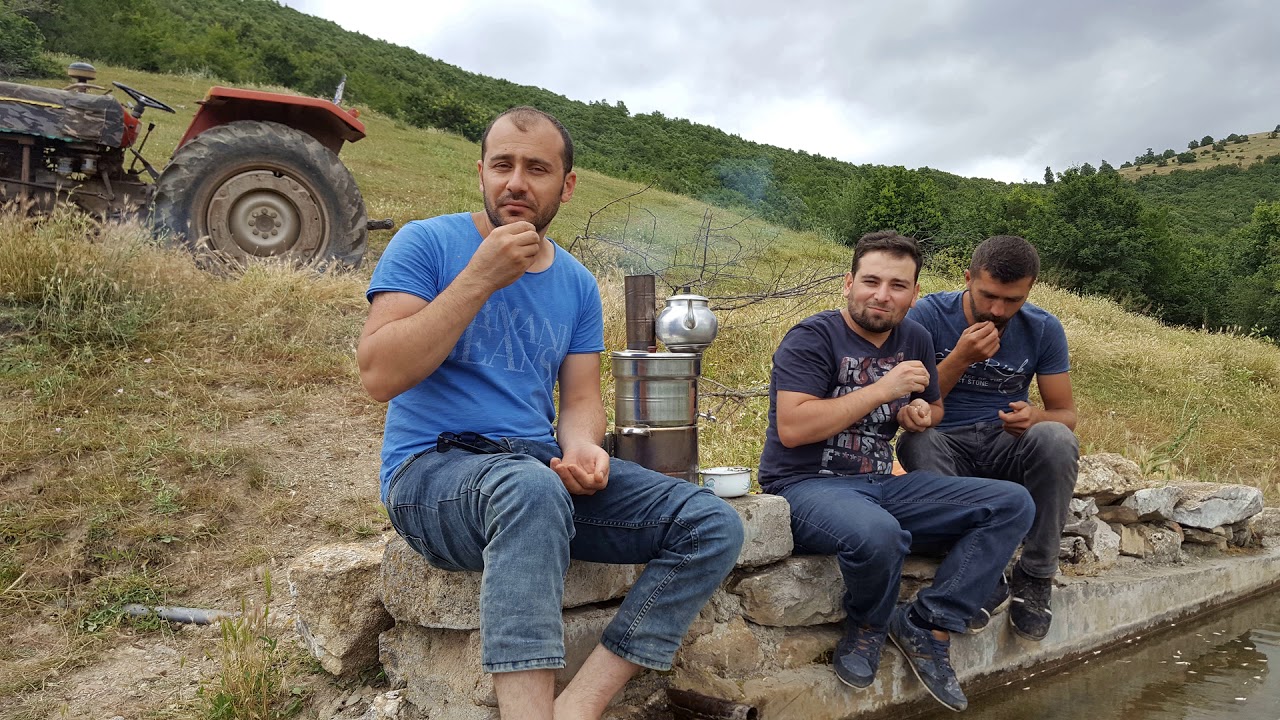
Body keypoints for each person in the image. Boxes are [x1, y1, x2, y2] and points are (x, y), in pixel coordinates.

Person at [357, 106, 744, 720]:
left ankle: (580, 706)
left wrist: (586, 446)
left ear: (564, 186)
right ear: (480, 170)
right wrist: (479, 277)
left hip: (534, 469)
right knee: (530, 489)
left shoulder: (576, 283)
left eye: (536, 168)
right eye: (502, 164)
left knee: (712, 524)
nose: (516, 182)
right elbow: (379, 373)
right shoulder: (426, 243)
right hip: (431, 475)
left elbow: (582, 401)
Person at [759, 231, 1035, 712]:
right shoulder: (812, 337)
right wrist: (883, 390)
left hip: (882, 482)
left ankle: (929, 621)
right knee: (880, 534)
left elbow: (931, 408)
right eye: (871, 281)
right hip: (805, 486)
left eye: (898, 286)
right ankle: (867, 627)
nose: (882, 295)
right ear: (848, 283)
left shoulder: (916, 338)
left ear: (915, 294)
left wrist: (920, 416)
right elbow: (794, 428)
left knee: (1012, 503)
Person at [896, 235, 1079, 642]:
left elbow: (1066, 416)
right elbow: (912, 404)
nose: (997, 311)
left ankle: (1035, 575)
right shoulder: (927, 316)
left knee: (1055, 439)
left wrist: (1035, 418)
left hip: (1006, 446)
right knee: (916, 442)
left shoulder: (1044, 328)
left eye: (1012, 300)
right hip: (945, 444)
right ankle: (985, 572)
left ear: (1029, 290)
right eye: (989, 296)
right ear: (968, 279)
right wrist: (960, 358)